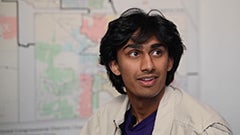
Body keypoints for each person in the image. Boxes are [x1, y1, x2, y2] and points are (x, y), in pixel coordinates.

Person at [80, 8, 232, 135]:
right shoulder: (101, 121)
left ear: (170, 62)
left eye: (157, 52)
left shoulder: (204, 129)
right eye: (134, 53)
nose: (148, 66)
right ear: (115, 66)